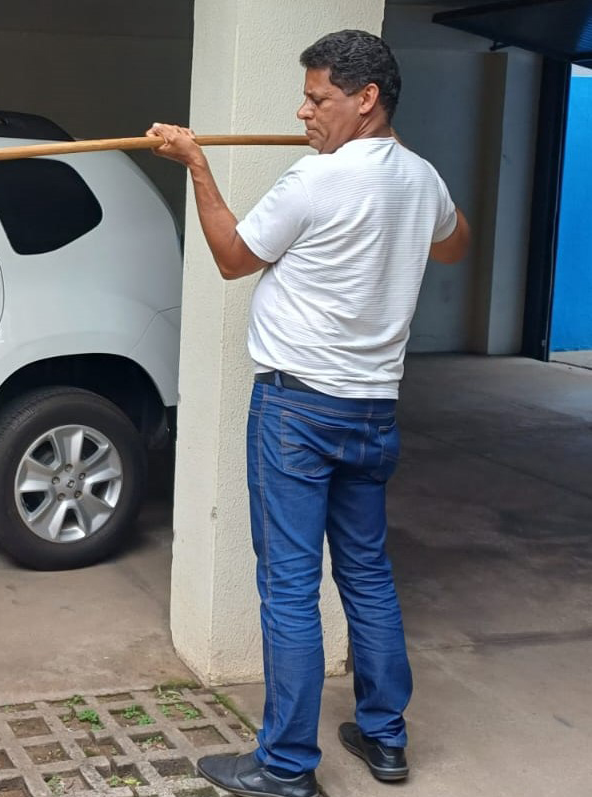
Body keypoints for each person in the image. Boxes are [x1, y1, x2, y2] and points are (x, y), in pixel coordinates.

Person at [147, 29, 470, 797]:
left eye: (319, 98)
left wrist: (197, 164)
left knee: (290, 584)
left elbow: (231, 255)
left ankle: (286, 766)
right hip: (372, 414)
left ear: (367, 100)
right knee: (365, 572)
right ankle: (385, 737)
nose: (302, 111)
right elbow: (454, 249)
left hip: (298, 411)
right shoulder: (419, 179)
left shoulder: (315, 180)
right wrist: (405, 186)